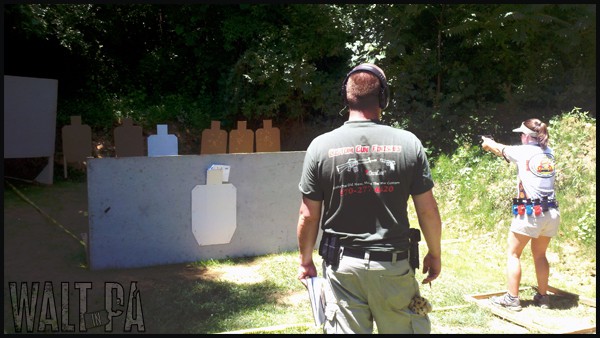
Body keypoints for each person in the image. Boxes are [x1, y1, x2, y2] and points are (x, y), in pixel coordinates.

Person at [296, 63, 442, 334]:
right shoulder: (409, 143)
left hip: (343, 269)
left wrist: (306, 261)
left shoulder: (320, 146)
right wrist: (435, 253)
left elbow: (308, 215)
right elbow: (428, 211)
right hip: (393, 266)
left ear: (346, 96)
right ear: (383, 98)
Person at [481, 118, 559, 311]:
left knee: (513, 254)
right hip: (551, 212)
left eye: (521, 134)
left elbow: (501, 149)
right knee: (540, 255)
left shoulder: (523, 151)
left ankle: (512, 299)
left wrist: (488, 143)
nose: (520, 137)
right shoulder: (549, 152)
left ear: (526, 136)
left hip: (530, 211)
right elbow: (505, 149)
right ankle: (543, 297)